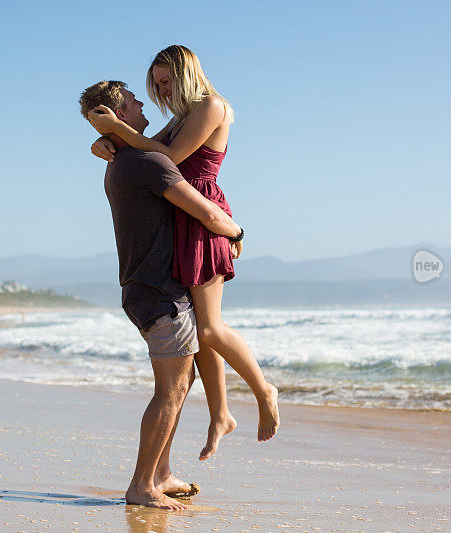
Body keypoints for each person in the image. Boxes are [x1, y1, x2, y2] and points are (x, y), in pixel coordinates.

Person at [87, 45, 279, 461]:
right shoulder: (180, 116)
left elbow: (167, 157)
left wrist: (116, 131)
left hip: (203, 213)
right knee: (198, 327)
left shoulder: (212, 105)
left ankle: (264, 389)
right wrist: (104, 142)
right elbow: (137, 150)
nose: (161, 90)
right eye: (156, 85)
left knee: (209, 329)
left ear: (185, 71)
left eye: (166, 80)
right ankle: (220, 415)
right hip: (183, 215)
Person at [79, 80, 244, 510]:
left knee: (180, 381)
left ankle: (162, 473)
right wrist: (238, 232)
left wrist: (106, 138)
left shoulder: (119, 161)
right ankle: (141, 486)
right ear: (119, 115)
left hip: (147, 287)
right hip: (157, 291)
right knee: (170, 390)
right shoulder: (149, 162)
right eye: (134, 101)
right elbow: (205, 212)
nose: (142, 103)